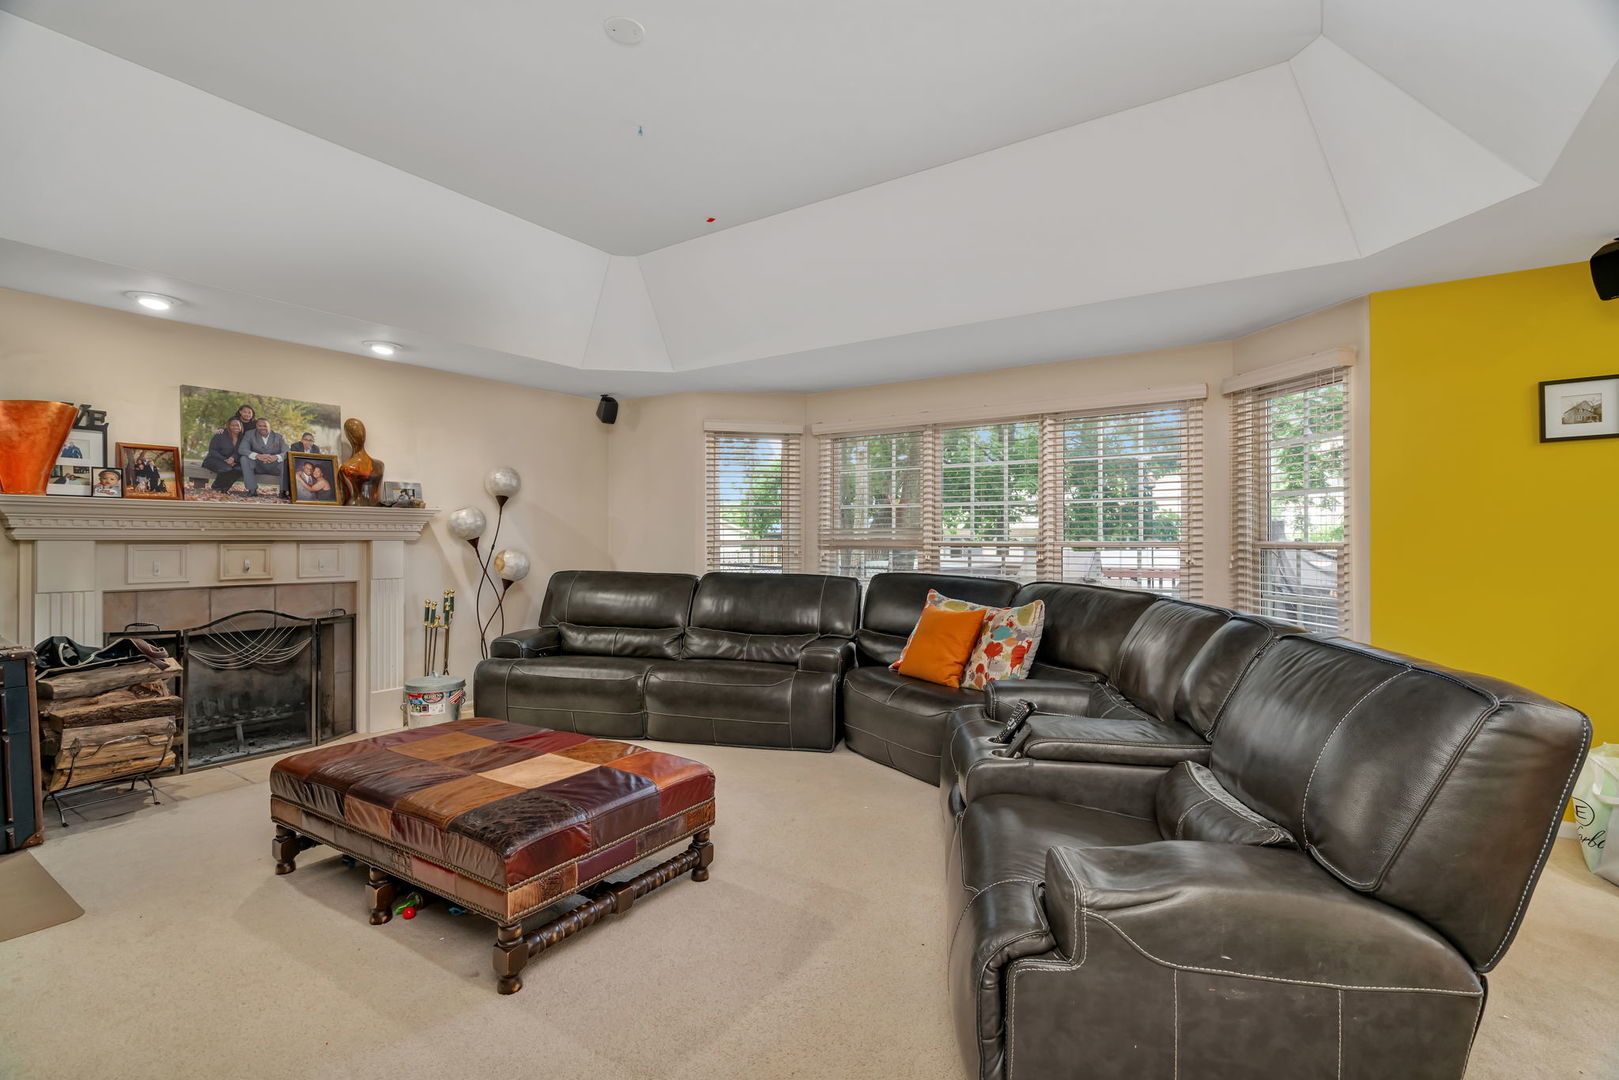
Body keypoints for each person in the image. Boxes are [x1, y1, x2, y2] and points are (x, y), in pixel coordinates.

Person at [237, 417, 287, 496]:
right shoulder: (249, 434)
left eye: (265, 426)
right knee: (244, 459)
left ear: (269, 427)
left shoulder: (279, 436)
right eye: (259, 426)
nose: (262, 428)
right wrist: (257, 455)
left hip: (274, 466)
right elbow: (242, 449)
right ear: (256, 426)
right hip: (258, 465)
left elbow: (287, 452)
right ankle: (252, 490)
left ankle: (283, 492)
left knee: (286, 461)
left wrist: (276, 457)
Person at [201, 417, 246, 491]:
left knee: (239, 469)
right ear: (228, 426)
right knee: (227, 469)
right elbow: (212, 451)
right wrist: (225, 460)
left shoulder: (242, 438)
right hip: (214, 460)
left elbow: (240, 451)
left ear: (241, 426)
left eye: (237, 425)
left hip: (232, 462)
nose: (235, 427)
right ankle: (216, 487)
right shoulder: (220, 435)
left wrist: (233, 458)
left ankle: (224, 489)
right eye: (232, 425)